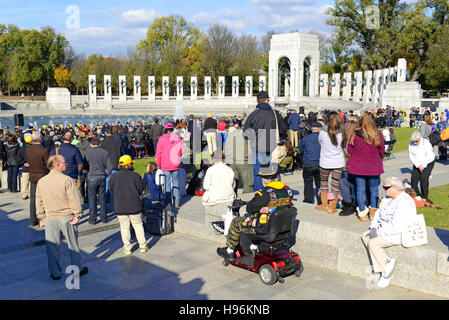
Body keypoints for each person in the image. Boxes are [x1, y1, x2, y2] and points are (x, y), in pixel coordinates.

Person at [216, 165, 293, 261]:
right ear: (277, 177)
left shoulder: (264, 194)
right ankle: (253, 246)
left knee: (236, 222)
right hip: (281, 227)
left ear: (265, 180)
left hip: (265, 228)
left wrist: (257, 198)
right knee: (256, 218)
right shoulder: (288, 190)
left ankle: (229, 251)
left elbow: (250, 208)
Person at [36, 155, 88, 280]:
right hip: (67, 218)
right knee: (73, 246)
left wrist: (41, 217)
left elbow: (38, 201)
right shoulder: (67, 180)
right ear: (57, 165)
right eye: (65, 162)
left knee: (52, 247)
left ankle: (55, 273)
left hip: (50, 218)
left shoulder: (41, 181)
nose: (67, 164)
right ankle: (76, 270)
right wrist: (78, 215)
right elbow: (74, 199)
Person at [361, 177, 416, 288]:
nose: (384, 189)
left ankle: (386, 274)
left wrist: (378, 233)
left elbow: (397, 227)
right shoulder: (387, 198)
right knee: (365, 235)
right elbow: (378, 214)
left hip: (400, 233)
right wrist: (373, 228)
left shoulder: (404, 201)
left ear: (396, 188)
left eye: (386, 187)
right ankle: (386, 262)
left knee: (373, 243)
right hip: (384, 229)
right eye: (384, 187)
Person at [243, 91, 288, 191]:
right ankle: (276, 191)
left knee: (258, 171)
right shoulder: (275, 114)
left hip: (257, 146)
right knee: (274, 170)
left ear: (257, 101)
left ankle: (260, 193)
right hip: (273, 146)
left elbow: (245, 134)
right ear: (267, 100)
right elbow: (283, 129)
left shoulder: (253, 115)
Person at [346, 112, 385, 221]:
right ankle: (372, 212)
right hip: (372, 166)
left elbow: (349, 150)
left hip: (359, 166)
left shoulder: (356, 134)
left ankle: (363, 213)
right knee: (373, 190)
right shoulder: (377, 134)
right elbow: (382, 150)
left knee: (360, 190)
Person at [108, 155, 148, 255]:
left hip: (120, 205)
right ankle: (142, 246)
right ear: (129, 164)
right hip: (134, 205)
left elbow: (111, 190)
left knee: (124, 227)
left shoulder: (114, 176)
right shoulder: (135, 175)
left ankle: (127, 248)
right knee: (138, 225)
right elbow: (140, 190)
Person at [315, 111, 345, 214]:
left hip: (325, 161)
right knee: (335, 185)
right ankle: (331, 207)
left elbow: (320, 142)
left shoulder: (323, 132)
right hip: (338, 162)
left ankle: (325, 204)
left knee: (324, 184)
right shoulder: (342, 132)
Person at [156, 122, 186, 209]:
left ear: (165, 130)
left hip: (165, 164)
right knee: (176, 183)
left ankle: (168, 203)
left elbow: (158, 153)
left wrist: (159, 164)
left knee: (167, 184)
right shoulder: (178, 138)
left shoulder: (161, 139)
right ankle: (176, 202)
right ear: (172, 129)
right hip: (175, 164)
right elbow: (182, 150)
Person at [84, 136, 113, 225]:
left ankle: (92, 219)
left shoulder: (87, 153)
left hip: (92, 177)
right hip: (101, 177)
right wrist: (106, 175)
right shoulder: (104, 152)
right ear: (99, 144)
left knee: (92, 199)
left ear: (91, 144)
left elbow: (85, 166)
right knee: (102, 198)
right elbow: (110, 166)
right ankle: (104, 218)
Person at [26, 133, 50, 227]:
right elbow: (48, 164)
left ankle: (33, 220)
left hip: (33, 176)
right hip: (43, 176)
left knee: (33, 200)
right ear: (40, 140)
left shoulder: (28, 150)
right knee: (45, 199)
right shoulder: (44, 151)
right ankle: (44, 218)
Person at [224, 124, 254, 194]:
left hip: (233, 161)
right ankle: (247, 200)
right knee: (248, 185)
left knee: (233, 184)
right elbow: (251, 148)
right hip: (245, 161)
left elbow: (227, 147)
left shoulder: (231, 134)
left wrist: (228, 159)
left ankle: (233, 198)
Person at [299, 122, 322, 205]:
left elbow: (300, 150)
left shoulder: (305, 138)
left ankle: (308, 199)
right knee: (319, 183)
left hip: (308, 162)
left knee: (308, 181)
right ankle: (321, 200)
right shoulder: (323, 138)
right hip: (320, 162)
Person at [408, 131, 436, 201]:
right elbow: (411, 156)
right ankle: (413, 196)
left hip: (428, 162)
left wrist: (423, 165)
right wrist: (418, 165)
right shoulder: (411, 144)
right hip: (417, 163)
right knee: (414, 179)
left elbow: (430, 156)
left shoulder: (425, 143)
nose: (415, 143)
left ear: (420, 139)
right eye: (413, 141)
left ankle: (424, 197)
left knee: (423, 178)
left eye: (416, 141)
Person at [17, 135, 32, 199]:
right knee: (33, 181)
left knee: (24, 181)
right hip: (32, 167)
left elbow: (18, 159)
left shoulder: (21, 149)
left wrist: (24, 163)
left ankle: (24, 194)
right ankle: (30, 193)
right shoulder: (32, 149)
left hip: (25, 167)